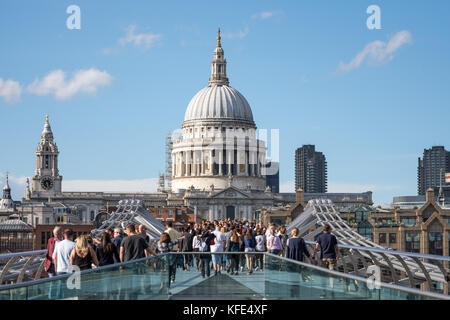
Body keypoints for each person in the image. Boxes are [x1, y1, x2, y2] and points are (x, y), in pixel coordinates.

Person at [312, 224, 340, 298]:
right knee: (332, 275)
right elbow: (336, 248)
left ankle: (324, 292)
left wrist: (313, 256)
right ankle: (332, 292)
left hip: (323, 258)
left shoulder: (320, 237)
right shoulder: (333, 237)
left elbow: (316, 248)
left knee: (323, 275)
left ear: (323, 230)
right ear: (329, 229)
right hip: (332, 258)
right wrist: (338, 255)